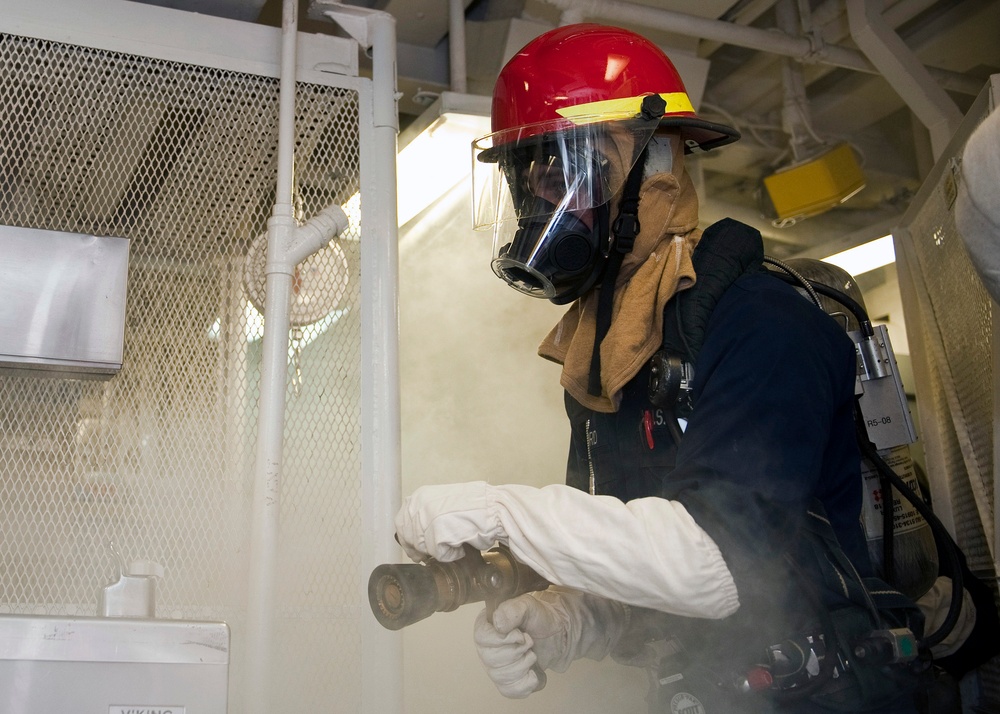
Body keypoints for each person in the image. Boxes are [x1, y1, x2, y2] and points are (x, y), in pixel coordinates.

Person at [393, 24, 971, 713]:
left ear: (657, 169)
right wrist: (575, 619)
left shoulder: (764, 326)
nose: (539, 210)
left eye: (565, 175)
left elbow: (716, 566)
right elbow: (648, 562)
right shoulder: (615, 355)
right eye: (529, 182)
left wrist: (500, 513)